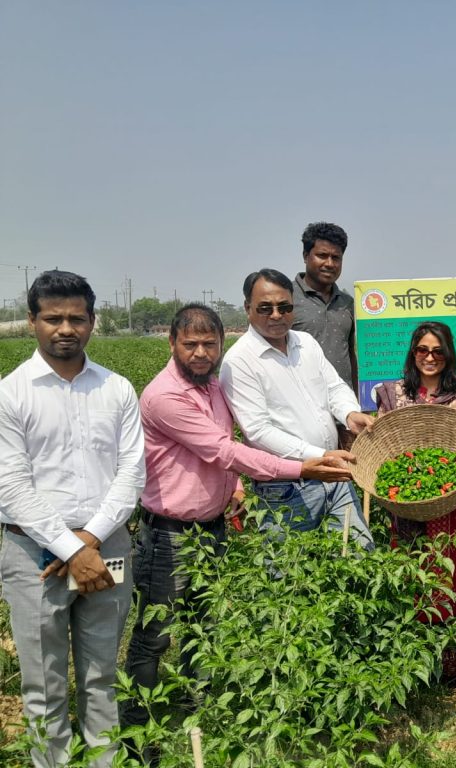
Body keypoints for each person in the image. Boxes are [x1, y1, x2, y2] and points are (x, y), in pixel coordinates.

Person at [120, 304, 358, 742]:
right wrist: (302, 467)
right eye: (189, 344)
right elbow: (223, 451)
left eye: (209, 343)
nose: (200, 352)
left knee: (203, 628)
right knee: (155, 635)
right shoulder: (164, 396)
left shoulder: (212, 386)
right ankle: (140, 731)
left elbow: (223, 452)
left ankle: (198, 714)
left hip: (210, 527)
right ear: (171, 343)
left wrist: (233, 489)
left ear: (220, 344)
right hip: (169, 533)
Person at [0, 271, 145, 768]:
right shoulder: (11, 393)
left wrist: (90, 541)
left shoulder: (117, 389)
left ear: (92, 322)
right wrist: (72, 549)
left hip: (107, 546)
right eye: (53, 318)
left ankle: (104, 762)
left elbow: (131, 472)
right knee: (44, 684)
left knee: (103, 675)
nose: (66, 328)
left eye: (76, 318)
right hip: (31, 554)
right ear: (32, 323)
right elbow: (12, 486)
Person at [219, 268, 375, 547]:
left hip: (335, 476)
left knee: (360, 555)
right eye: (265, 308)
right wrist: (321, 456)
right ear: (247, 308)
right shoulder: (239, 361)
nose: (276, 315)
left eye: (284, 306)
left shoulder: (306, 343)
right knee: (291, 573)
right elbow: (258, 431)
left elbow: (334, 387)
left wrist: (350, 414)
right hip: (286, 488)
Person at [374, 321, 456, 678]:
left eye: (438, 351)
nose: (430, 357)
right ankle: (420, 664)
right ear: (413, 353)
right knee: (414, 574)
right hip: (406, 499)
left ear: (448, 354)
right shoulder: (395, 392)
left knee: (453, 574)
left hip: (452, 498)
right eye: (423, 350)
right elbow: (384, 438)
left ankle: (454, 664)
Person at [292, 221, 358, 390]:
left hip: (345, 406)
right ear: (306, 256)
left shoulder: (347, 303)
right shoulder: (286, 300)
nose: (329, 263)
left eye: (336, 258)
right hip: (302, 402)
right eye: (322, 255)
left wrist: (358, 399)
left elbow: (350, 354)